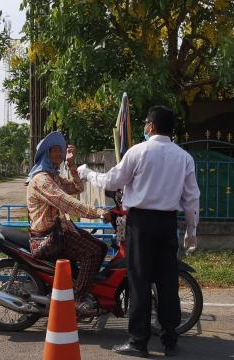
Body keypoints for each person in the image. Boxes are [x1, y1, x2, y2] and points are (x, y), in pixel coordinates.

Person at [78, 106, 200, 357]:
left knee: (139, 283)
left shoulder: (138, 152)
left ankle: (138, 342)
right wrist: (192, 231)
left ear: (152, 126)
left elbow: (112, 182)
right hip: (168, 225)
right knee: (167, 284)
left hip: (140, 224)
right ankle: (169, 340)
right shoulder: (184, 158)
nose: (144, 127)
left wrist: (87, 173)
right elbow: (192, 199)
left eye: (146, 123)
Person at [26, 131, 111, 315]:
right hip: (49, 235)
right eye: (54, 150)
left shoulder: (53, 176)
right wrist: (98, 212)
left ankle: (77, 288)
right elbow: (66, 201)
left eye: (60, 150)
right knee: (93, 253)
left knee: (101, 246)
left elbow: (77, 188)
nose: (58, 153)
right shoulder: (42, 179)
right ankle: (77, 301)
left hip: (62, 230)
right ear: (45, 154)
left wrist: (71, 163)